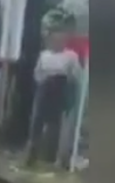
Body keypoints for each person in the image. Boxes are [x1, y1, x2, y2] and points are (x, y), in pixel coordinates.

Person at [25, 27, 81, 166]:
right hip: (45, 89)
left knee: (55, 124)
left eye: (61, 39)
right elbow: (37, 74)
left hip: (61, 90)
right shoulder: (44, 55)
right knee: (37, 120)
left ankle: (50, 155)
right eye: (55, 39)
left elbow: (76, 75)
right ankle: (32, 152)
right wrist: (45, 80)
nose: (57, 42)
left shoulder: (71, 56)